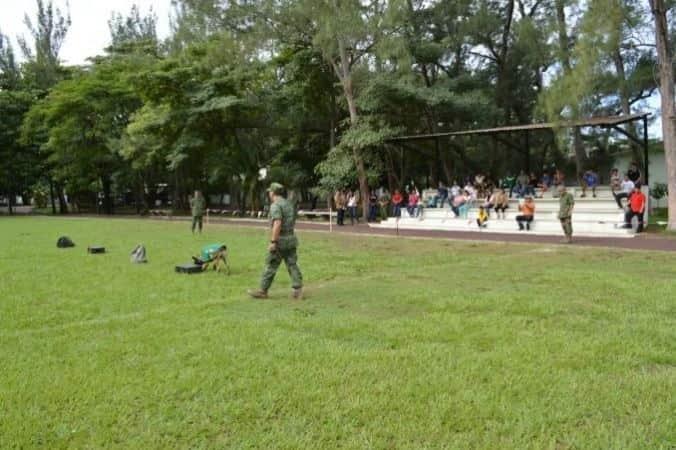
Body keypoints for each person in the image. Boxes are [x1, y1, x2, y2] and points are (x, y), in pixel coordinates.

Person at [249, 182, 303, 300]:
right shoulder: (289, 204)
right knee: (292, 264)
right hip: (291, 238)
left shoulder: (275, 205)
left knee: (271, 265)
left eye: (269, 192)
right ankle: (298, 290)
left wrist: (273, 241)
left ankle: (263, 291)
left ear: (272, 193)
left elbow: (277, 223)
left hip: (280, 241)